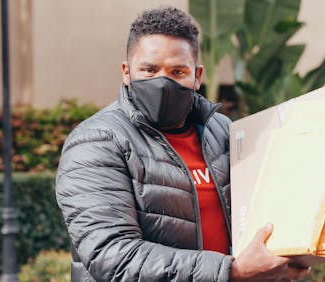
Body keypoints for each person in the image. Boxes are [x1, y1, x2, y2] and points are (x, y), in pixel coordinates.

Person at [56, 6, 310, 282]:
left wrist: (280, 261)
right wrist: (231, 271)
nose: (163, 82)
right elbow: (113, 256)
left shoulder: (222, 132)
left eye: (177, 72)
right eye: (149, 70)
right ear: (126, 72)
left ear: (197, 76)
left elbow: (255, 218)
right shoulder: (96, 142)